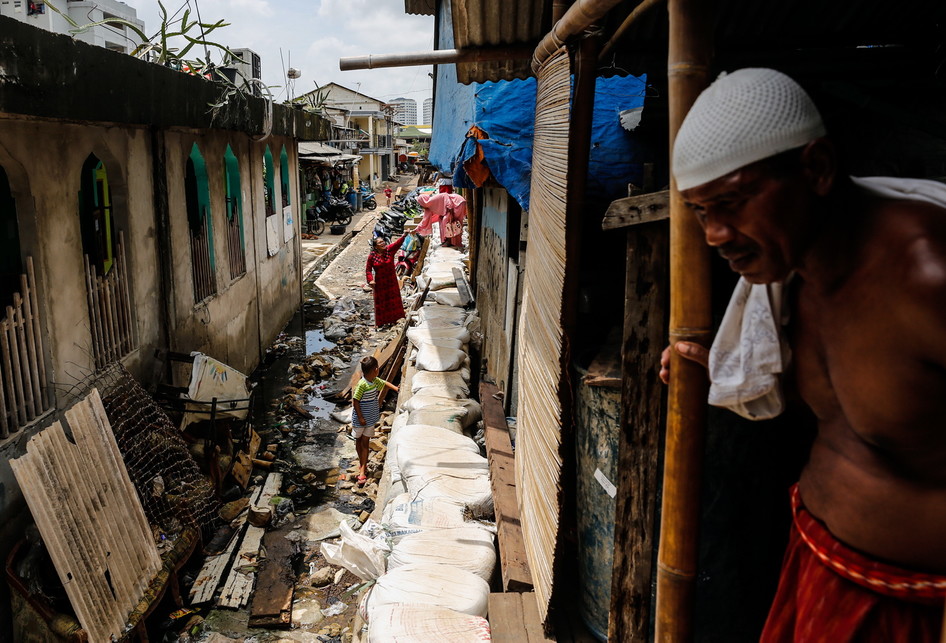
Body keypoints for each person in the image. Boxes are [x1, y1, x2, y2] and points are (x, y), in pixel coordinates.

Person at [660, 68, 946, 640]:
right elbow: (867, 406)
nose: (714, 234)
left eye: (733, 201)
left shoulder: (926, 277)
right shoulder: (791, 279)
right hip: (817, 566)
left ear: (816, 169)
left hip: (916, 609)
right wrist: (722, 368)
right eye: (699, 211)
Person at [351, 355, 398, 486]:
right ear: (376, 369)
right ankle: (362, 462)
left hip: (370, 418)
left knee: (365, 442)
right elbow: (355, 401)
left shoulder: (374, 381)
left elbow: (384, 383)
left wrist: (395, 388)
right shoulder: (362, 384)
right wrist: (360, 417)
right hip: (360, 420)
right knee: (358, 440)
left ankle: (363, 468)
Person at [366, 233, 407, 327]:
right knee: (382, 303)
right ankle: (382, 323)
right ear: (375, 246)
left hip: (391, 281)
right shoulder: (372, 256)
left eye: (383, 241)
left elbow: (397, 243)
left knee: (394, 301)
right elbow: (368, 270)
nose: (383, 243)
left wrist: (405, 235)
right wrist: (370, 280)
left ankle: (396, 320)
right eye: (380, 243)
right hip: (380, 283)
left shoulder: (389, 250)